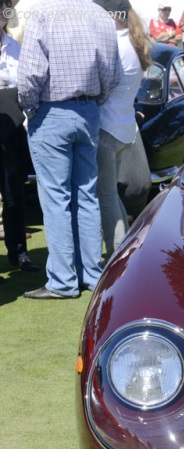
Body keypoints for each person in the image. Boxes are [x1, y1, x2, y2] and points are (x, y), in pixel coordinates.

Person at [17, 0, 120, 299]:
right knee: (86, 195)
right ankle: (91, 274)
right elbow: (112, 74)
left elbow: (30, 74)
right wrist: (93, 103)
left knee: (55, 198)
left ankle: (62, 280)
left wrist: (31, 108)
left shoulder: (42, 12)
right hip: (88, 110)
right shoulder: (100, 14)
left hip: (51, 111)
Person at [96, 0, 150, 256]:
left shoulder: (115, 45)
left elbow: (99, 88)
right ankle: (124, 245)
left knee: (105, 196)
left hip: (108, 129)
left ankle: (120, 251)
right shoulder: (133, 42)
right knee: (109, 195)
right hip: (123, 127)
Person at [0, 0, 37, 273]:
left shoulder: (15, 48)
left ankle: (18, 253)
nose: (3, 10)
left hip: (12, 132)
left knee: (14, 195)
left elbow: (24, 88)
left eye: (5, 5)